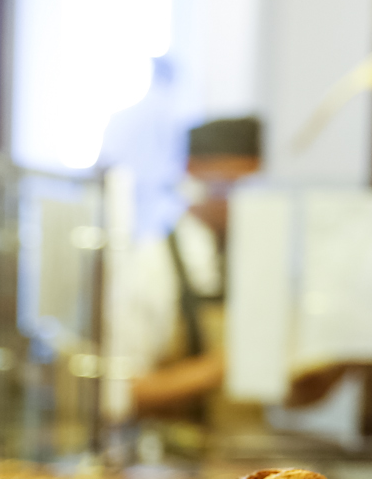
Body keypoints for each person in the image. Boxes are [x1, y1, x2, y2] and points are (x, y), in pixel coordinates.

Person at [106, 116, 264, 459]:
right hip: (169, 469)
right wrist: (225, 366)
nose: (242, 200)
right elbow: (120, 395)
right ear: (193, 172)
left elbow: (287, 398)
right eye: (231, 184)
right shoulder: (151, 265)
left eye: (252, 186)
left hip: (250, 464)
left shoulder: (262, 264)